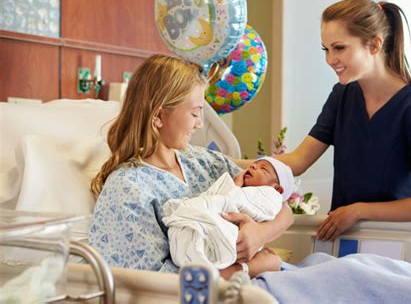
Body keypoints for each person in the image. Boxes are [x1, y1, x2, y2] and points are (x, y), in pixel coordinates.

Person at [237, 0, 411, 258]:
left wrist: (358, 211)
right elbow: (298, 160)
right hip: (348, 242)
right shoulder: (343, 96)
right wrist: (223, 162)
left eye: (339, 48)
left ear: (374, 45)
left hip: (400, 246)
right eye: (325, 49)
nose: (330, 59)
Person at [88, 54, 291, 278]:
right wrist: (250, 267)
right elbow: (155, 282)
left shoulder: (204, 162)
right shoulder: (128, 189)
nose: (200, 123)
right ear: (158, 116)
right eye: (194, 113)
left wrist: (260, 235)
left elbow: (281, 206)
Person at [162, 157, 295, 269]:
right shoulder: (242, 186)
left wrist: (260, 233)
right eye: (254, 164)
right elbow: (223, 199)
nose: (253, 166)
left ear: (277, 188)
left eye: (263, 169)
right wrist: (234, 186)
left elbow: (235, 202)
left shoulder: (270, 195)